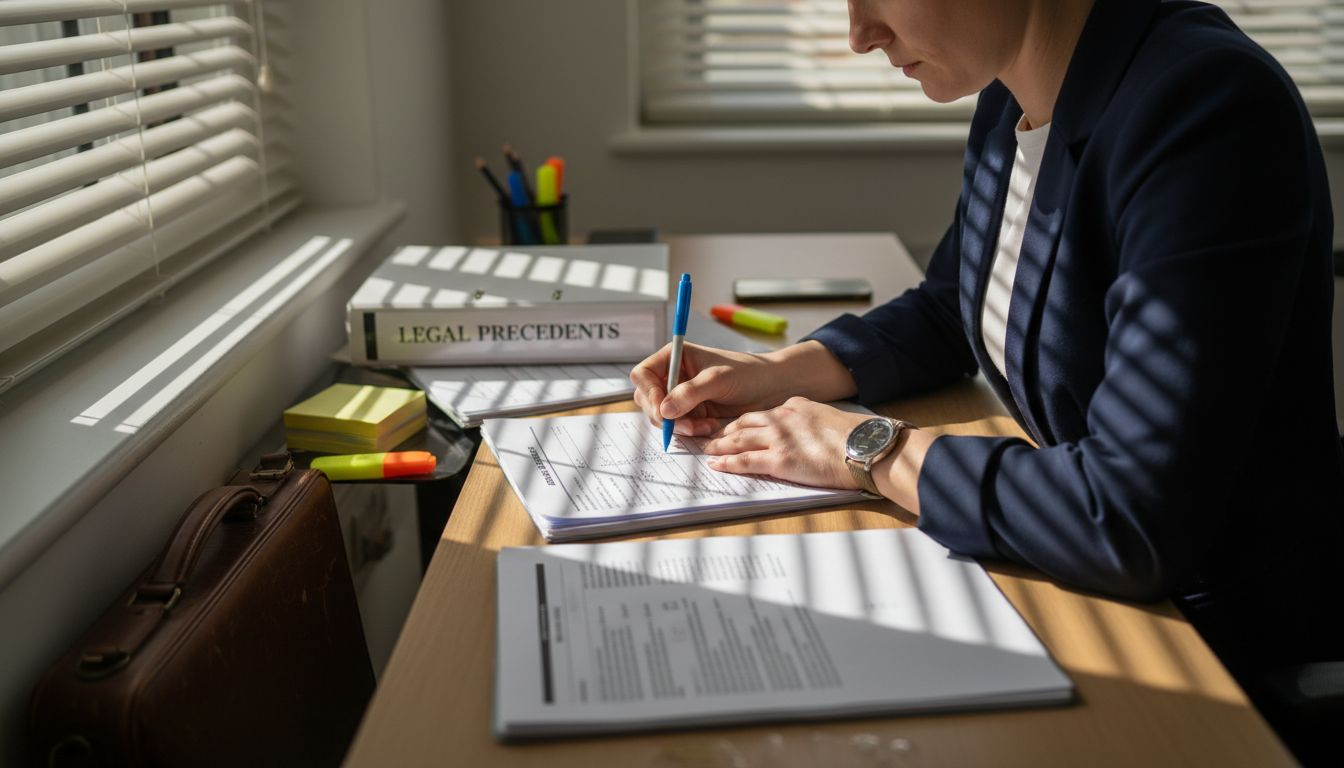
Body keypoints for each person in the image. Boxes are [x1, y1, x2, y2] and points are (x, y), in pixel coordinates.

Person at [631, 0, 1344, 763]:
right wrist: (777, 371)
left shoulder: (1205, 108)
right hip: (1071, 580)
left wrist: (867, 448)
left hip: (1208, 649)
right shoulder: (1015, 97)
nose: (859, 34)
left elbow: (1130, 516)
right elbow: (955, 305)